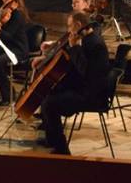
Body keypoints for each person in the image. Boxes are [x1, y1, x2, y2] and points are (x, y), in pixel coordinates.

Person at [38, 11, 111, 155]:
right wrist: (45, 57)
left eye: (70, 26)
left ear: (78, 25)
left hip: (91, 95)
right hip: (82, 87)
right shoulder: (84, 38)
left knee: (50, 104)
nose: (68, 30)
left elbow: (88, 73)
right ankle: (51, 139)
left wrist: (75, 48)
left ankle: (61, 149)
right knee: (48, 90)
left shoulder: (95, 44)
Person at [32, 0, 96, 71]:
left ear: (86, 3)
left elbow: (77, 50)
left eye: (76, 2)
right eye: (72, 3)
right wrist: (54, 44)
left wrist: (47, 58)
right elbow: (68, 42)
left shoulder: (90, 27)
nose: (73, 5)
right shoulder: (75, 22)